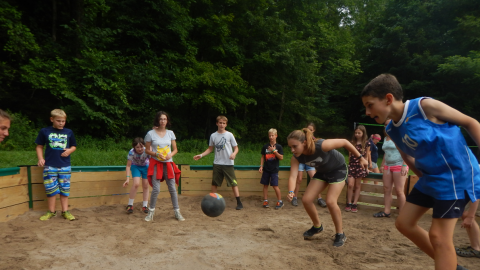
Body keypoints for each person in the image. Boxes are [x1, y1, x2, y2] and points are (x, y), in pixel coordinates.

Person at [361, 73, 480, 270]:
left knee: (439, 237)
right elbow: (408, 158)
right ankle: (452, 265)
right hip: (431, 179)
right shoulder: (391, 129)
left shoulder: (425, 107)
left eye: (370, 104)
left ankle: (447, 263)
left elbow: (471, 122)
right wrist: (424, 179)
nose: (366, 111)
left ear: (388, 99)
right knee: (404, 223)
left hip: (456, 176)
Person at [286, 128, 368, 247]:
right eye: (290, 147)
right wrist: (291, 191)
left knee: (330, 201)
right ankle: (317, 226)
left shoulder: (321, 145)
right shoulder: (297, 157)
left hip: (338, 170)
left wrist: (360, 157)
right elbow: (293, 176)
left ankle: (340, 234)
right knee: (306, 200)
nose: (292, 150)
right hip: (323, 173)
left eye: (295, 146)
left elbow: (345, 142)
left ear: (303, 142)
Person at [193, 115, 243, 210]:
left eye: (224, 123)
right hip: (217, 163)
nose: (222, 125)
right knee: (215, 183)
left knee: (233, 183)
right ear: (217, 123)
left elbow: (236, 148)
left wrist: (234, 154)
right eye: (220, 123)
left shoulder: (229, 135)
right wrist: (201, 155)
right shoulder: (213, 135)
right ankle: (213, 201)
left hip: (228, 163)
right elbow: (210, 149)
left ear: (226, 124)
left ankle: (239, 202)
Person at [35, 109, 77, 221]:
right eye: (58, 121)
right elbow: (39, 146)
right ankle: (51, 212)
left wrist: (69, 151)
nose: (61, 123)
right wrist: (40, 158)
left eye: (63, 121)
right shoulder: (45, 131)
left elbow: (74, 146)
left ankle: (65, 211)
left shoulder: (69, 132)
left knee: (65, 189)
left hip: (65, 166)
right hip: (50, 166)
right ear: (52, 119)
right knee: (51, 189)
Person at [144, 111, 184, 222]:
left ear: (167, 121)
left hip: (168, 163)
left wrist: (170, 154)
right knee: (156, 189)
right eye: (161, 119)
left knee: (172, 188)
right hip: (156, 163)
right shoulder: (150, 133)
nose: (163, 121)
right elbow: (147, 150)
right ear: (157, 120)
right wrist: (156, 154)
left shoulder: (170, 133)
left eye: (165, 119)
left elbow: (175, 149)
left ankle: (177, 212)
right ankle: (150, 212)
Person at [373, 119, 408, 218]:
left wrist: (405, 165)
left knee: (399, 190)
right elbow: (386, 153)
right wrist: (382, 165)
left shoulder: (401, 136)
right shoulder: (386, 138)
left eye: (388, 124)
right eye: (385, 125)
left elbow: (407, 151)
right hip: (388, 166)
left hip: (399, 165)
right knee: (386, 188)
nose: (386, 126)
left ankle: (403, 215)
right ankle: (386, 211)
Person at [292, 123, 327, 208]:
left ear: (313, 130)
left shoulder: (314, 140)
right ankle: (295, 197)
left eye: (311, 130)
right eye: (308, 129)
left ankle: (319, 198)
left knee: (314, 178)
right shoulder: (302, 138)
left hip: (310, 162)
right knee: (299, 179)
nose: (309, 131)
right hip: (301, 161)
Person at [345, 125, 370, 213]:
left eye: (359, 133)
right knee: (350, 184)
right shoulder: (352, 143)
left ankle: (355, 203)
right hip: (352, 165)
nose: (357, 134)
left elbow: (366, 156)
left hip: (360, 166)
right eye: (356, 133)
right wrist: (349, 165)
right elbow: (349, 155)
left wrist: (367, 167)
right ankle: (348, 202)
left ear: (363, 133)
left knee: (357, 185)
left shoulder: (367, 143)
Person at [123, 137, 150, 214]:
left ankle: (145, 206)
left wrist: (153, 174)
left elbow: (152, 162)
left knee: (145, 185)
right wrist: (127, 178)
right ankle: (130, 205)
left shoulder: (147, 151)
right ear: (134, 147)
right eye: (137, 147)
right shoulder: (132, 152)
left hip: (146, 167)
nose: (140, 149)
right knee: (136, 184)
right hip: (136, 166)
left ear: (144, 146)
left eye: (141, 146)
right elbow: (128, 166)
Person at [259, 128, 284, 210]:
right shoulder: (265, 146)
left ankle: (280, 201)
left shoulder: (279, 147)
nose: (271, 137)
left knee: (275, 186)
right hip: (266, 169)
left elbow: (281, 157)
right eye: (269, 135)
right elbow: (262, 157)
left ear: (276, 136)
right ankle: (265, 200)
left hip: (274, 170)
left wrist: (274, 151)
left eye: (272, 135)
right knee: (265, 185)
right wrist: (261, 166)